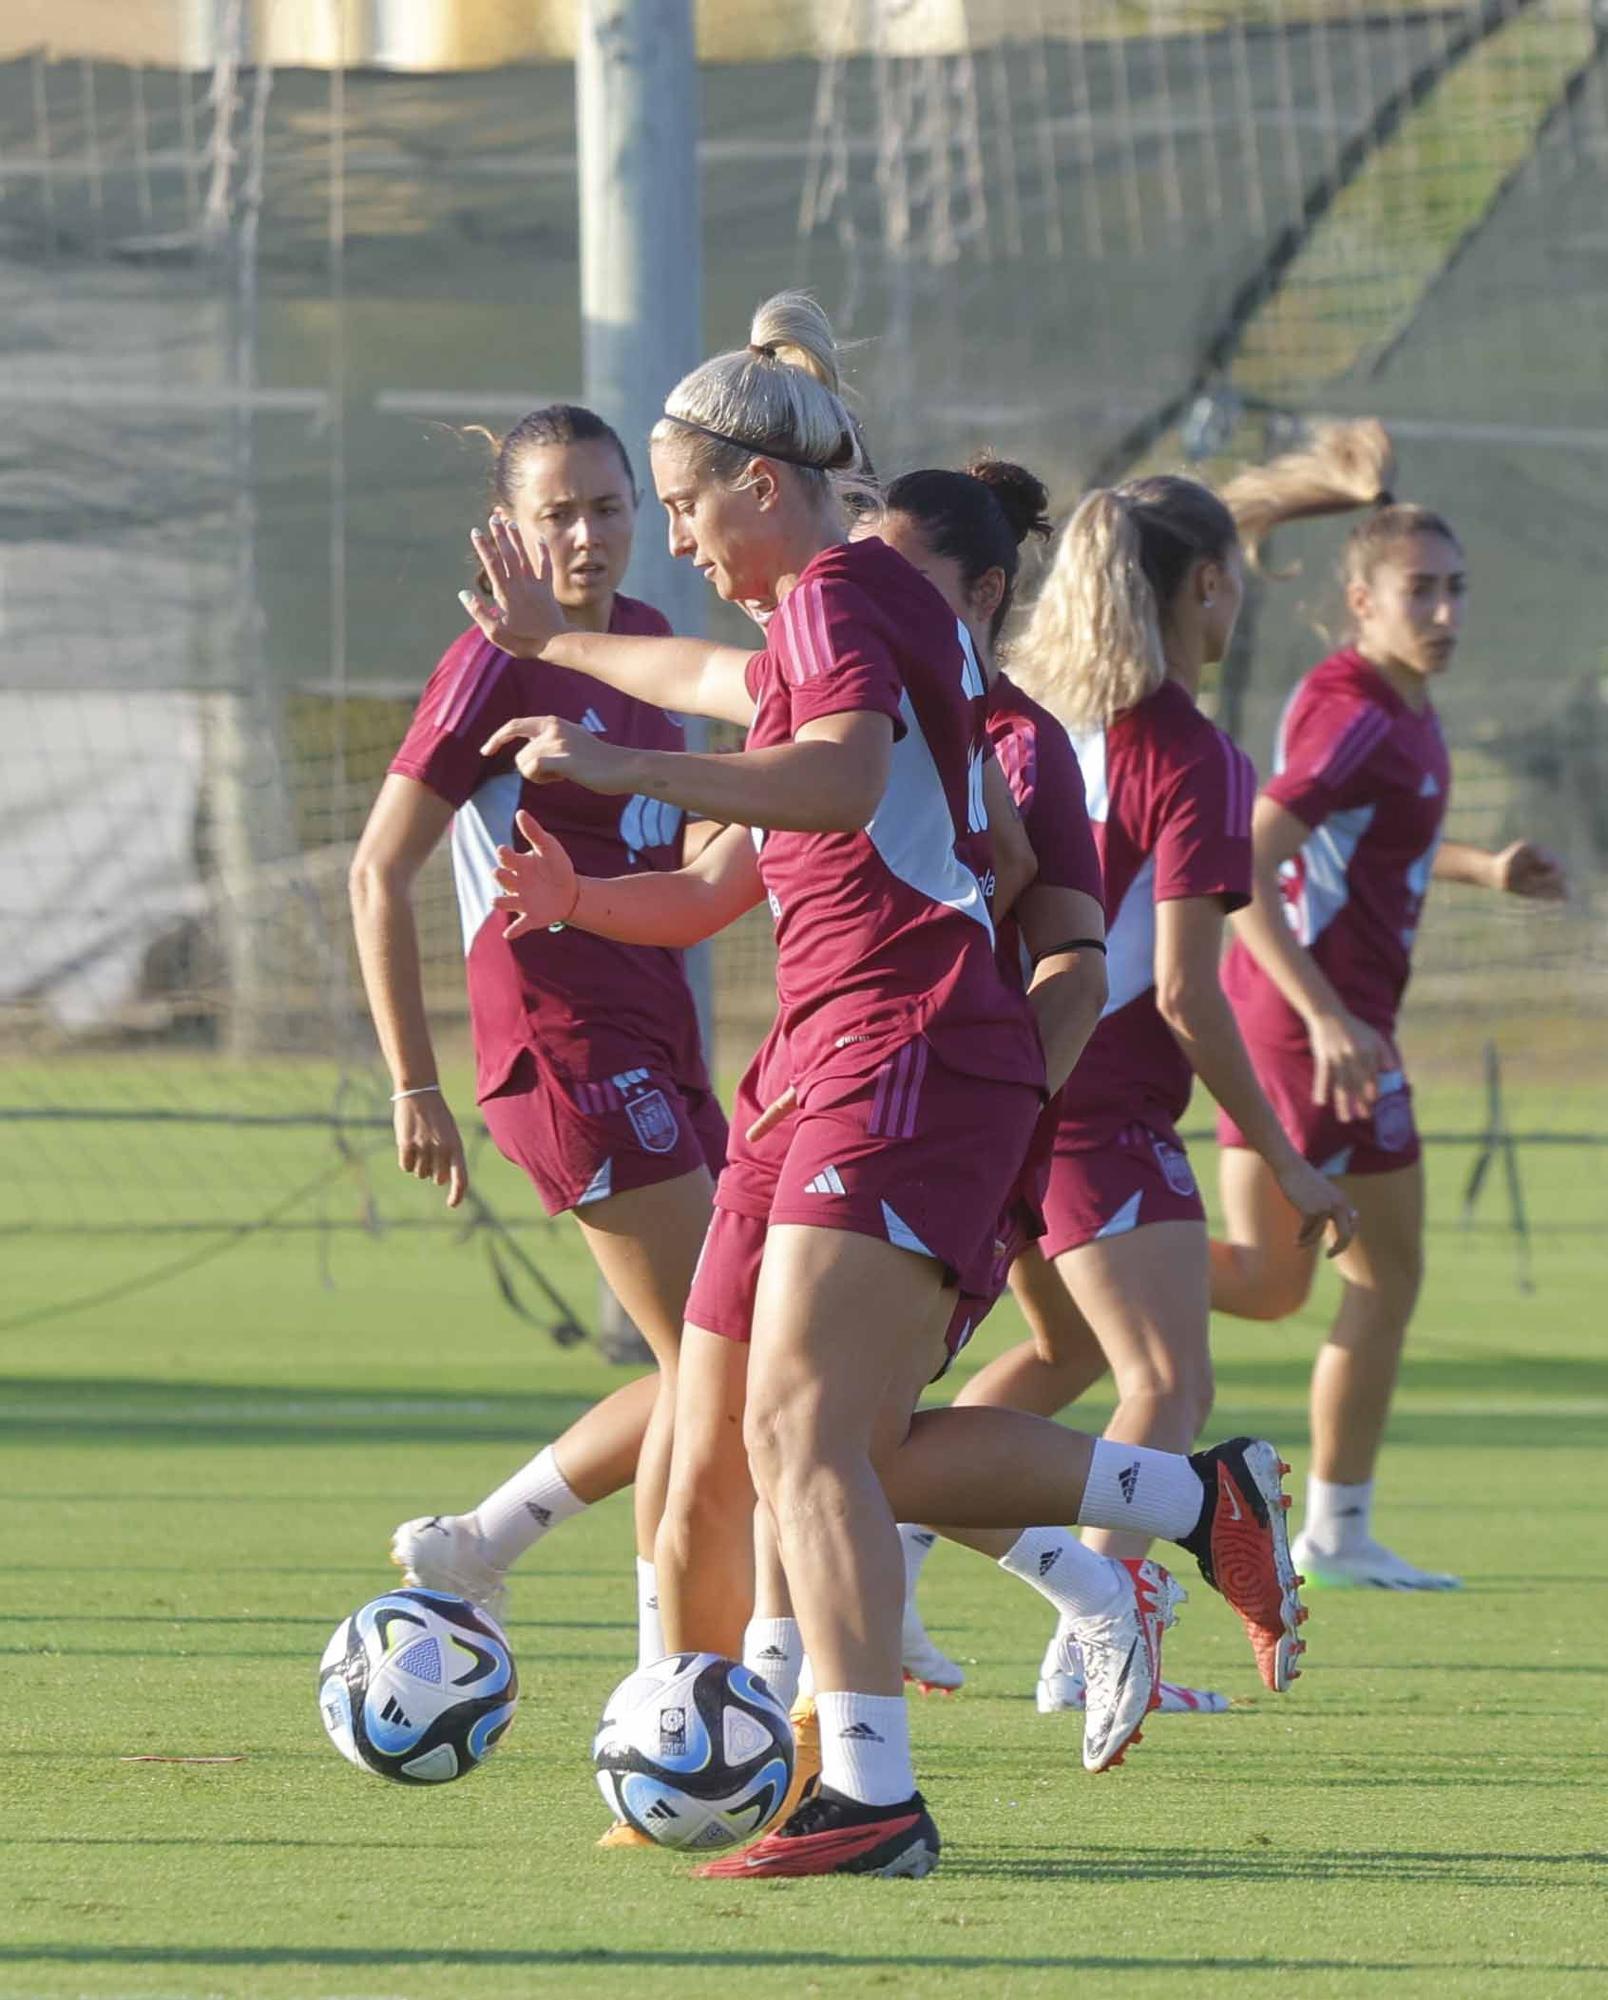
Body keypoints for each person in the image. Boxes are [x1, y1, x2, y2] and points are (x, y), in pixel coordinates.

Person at [470, 290, 1309, 1881]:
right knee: (733, 1440)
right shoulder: (826, 609)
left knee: (806, 1433)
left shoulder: (854, 595)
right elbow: (740, 702)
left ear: (763, 489)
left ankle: (868, 1791)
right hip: (818, 1061)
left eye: (685, 498)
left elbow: (846, 780)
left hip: (908, 1048)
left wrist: (615, 759)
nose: (672, 535)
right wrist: (556, 653)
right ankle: (726, 1743)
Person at [897, 473, 1355, 1719]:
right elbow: (1194, 999)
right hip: (1098, 1091)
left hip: (992, 1072)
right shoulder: (1190, 752)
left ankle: (892, 1553)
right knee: (1167, 1379)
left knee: (1062, 1352)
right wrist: (1292, 1160)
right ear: (1206, 585)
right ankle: (1094, 1636)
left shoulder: (1039, 715)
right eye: (1235, 575)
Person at [348, 406, 726, 1743]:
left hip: (666, 1046)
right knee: (728, 1369)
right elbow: (378, 870)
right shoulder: (490, 669)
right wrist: (416, 1083)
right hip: (561, 1055)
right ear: (509, 529)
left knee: (717, 1366)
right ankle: (667, 1697)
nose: (587, 532)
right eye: (557, 511)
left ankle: (479, 1549)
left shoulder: (650, 663)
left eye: (608, 505)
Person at [1207, 420, 1566, 1589]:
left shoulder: (1405, 705)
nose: (1447, 610)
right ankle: (1066, 1251)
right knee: (1270, 1282)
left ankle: (1340, 1527)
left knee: (1386, 1273)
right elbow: (1243, 871)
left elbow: (1369, 852)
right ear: (1359, 598)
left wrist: (1482, 869)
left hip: (1352, 1026)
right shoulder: (1354, 706)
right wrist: (1321, 1020)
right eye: (1423, 590)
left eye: (1458, 588)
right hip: (1300, 1023)